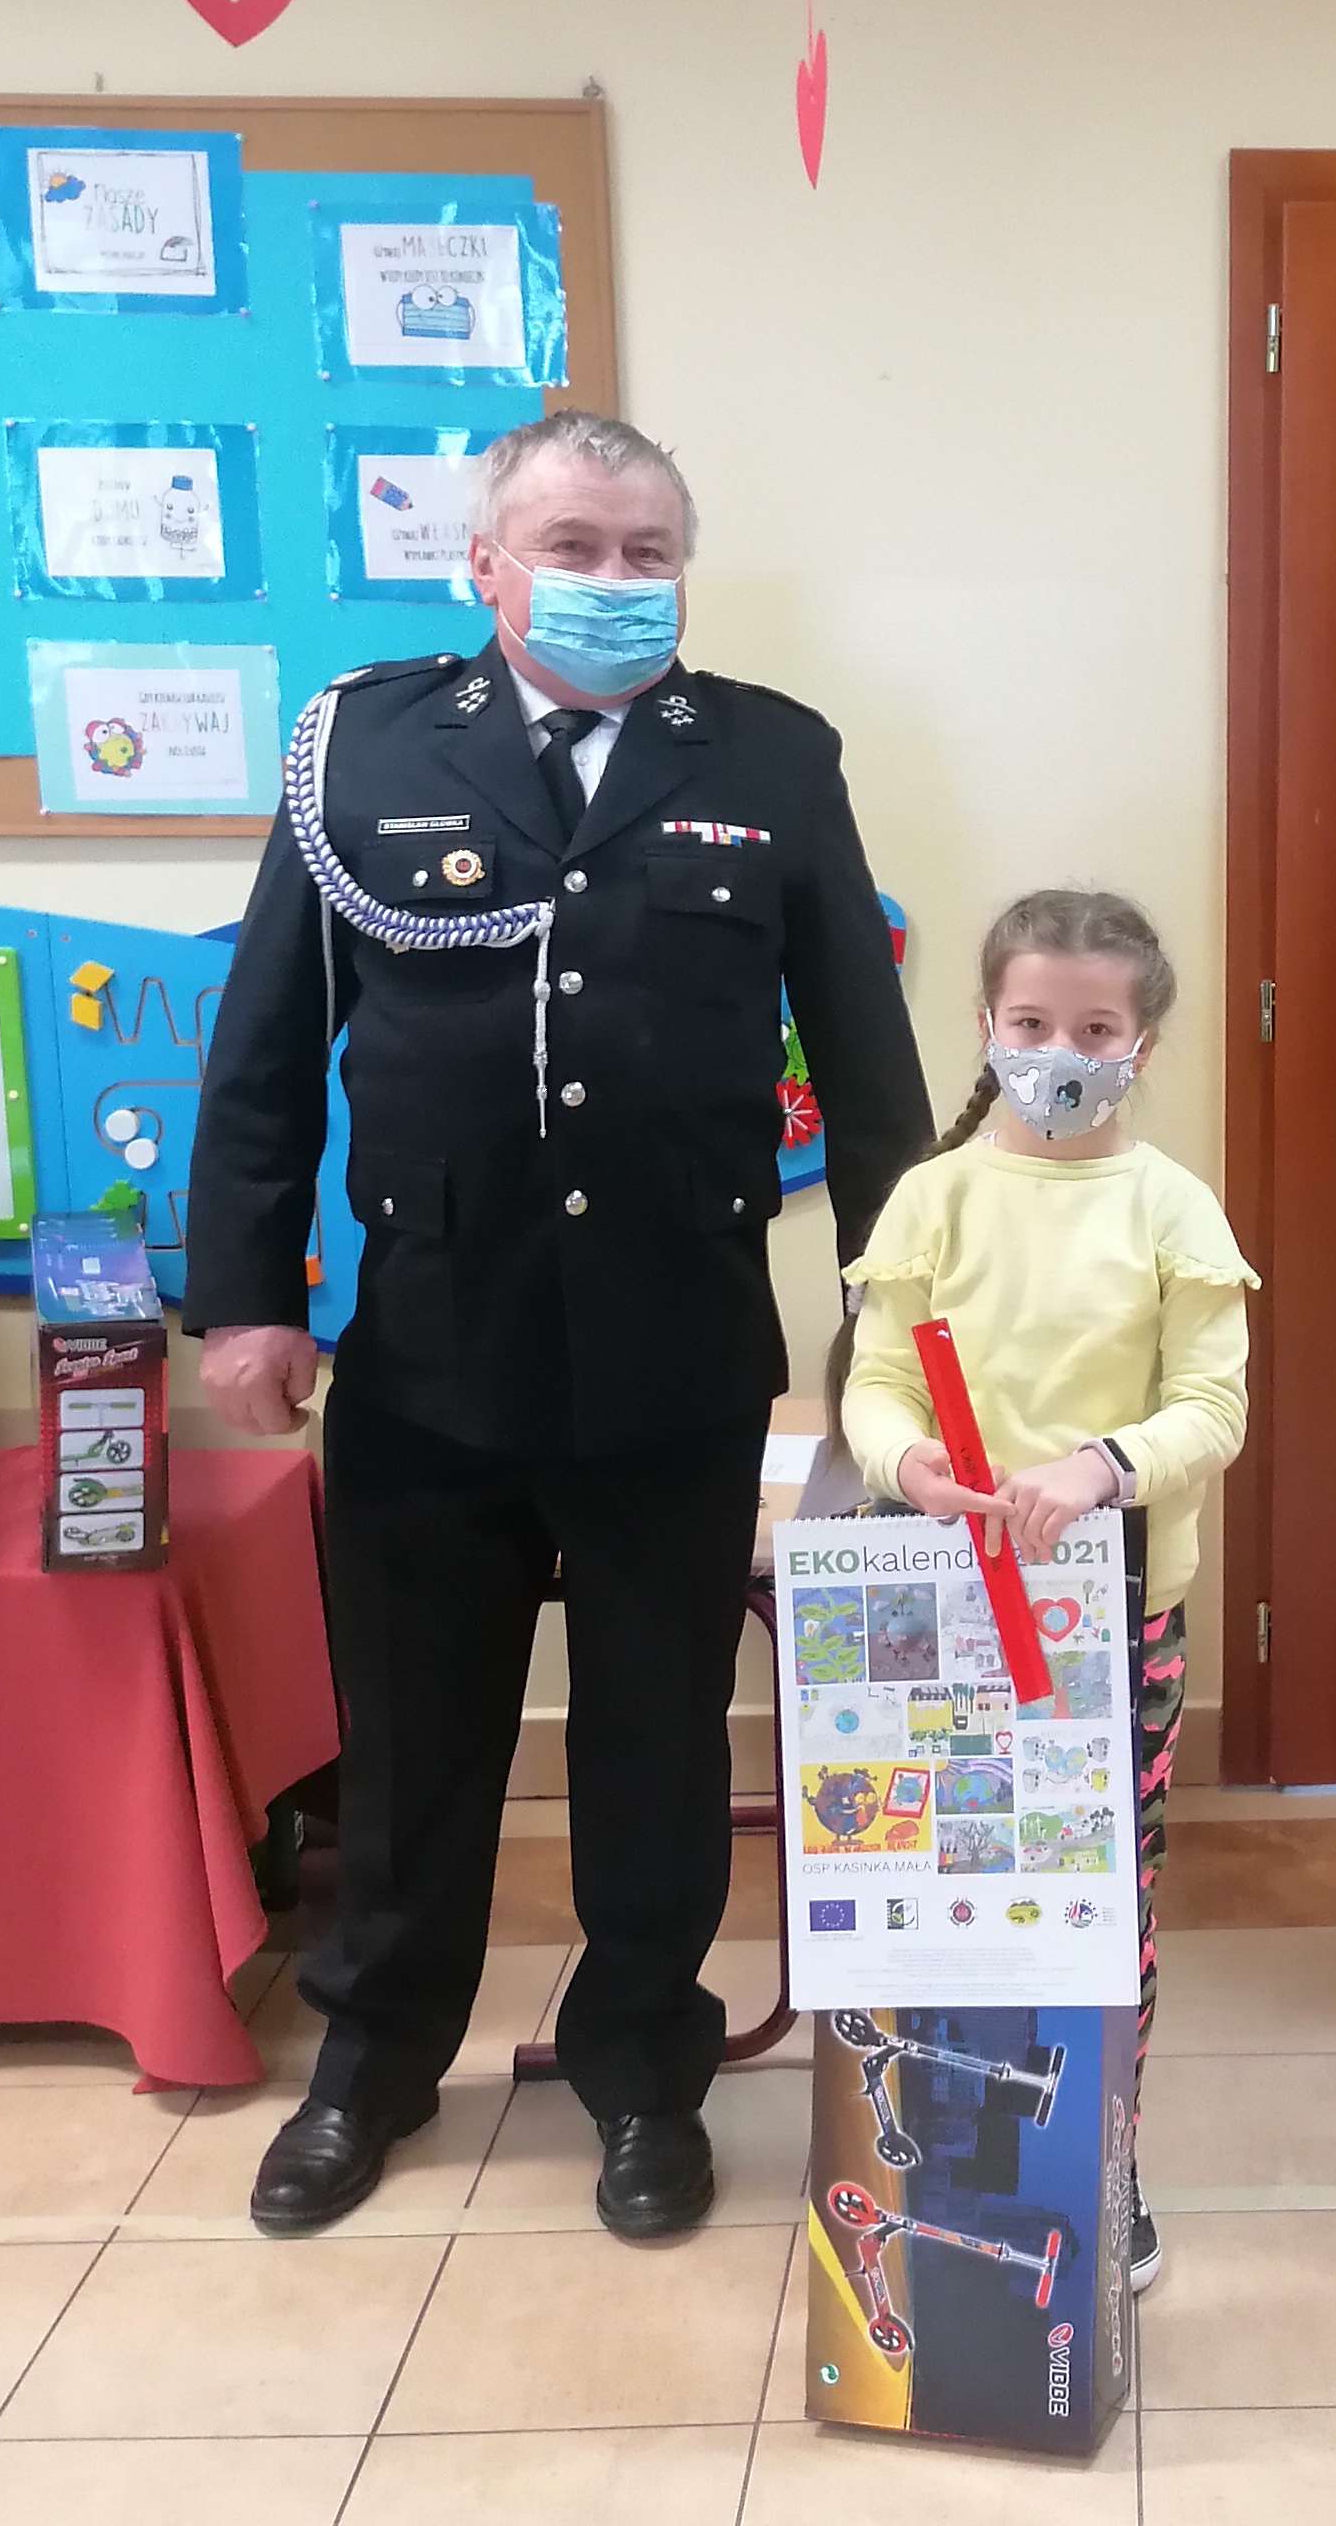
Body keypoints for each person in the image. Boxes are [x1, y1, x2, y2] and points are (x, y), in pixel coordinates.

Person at [186, 410, 928, 2242]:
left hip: (679, 1344)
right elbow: (266, 1041)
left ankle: (643, 2071)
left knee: (657, 1739)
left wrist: (901, 1320)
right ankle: (375, 2061)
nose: (614, 580)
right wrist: (247, 1299)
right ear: (487, 565)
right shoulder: (364, 746)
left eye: (646, 552)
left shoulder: (772, 753)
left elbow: (867, 1056)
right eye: (574, 548)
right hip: (433, 1342)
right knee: (415, 1735)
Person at [833, 888, 1254, 2298]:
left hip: (1113, 1621)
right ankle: (937, 2159)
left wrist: (1101, 1468)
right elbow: (878, 1383)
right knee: (936, 1892)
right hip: (934, 1615)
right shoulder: (933, 1197)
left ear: (1143, 1045)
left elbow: (1212, 1407)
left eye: (1095, 1029)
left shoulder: (1170, 1205)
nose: (1059, 1052)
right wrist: (905, 1462)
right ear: (985, 1025)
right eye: (1031, 1022)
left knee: (1098, 1903)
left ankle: (1100, 2160)